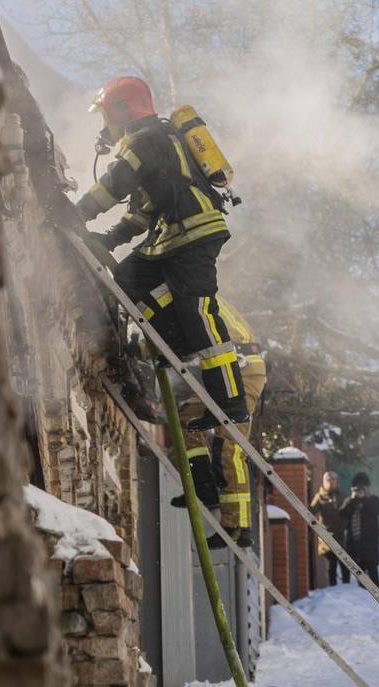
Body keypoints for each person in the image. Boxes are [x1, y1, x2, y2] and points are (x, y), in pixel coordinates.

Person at [75, 76, 247, 430]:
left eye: (105, 113)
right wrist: (110, 239)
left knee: (199, 311)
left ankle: (231, 401)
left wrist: (75, 213)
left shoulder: (145, 140)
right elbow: (143, 209)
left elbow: (114, 184)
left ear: (122, 111)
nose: (103, 124)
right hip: (170, 237)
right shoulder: (152, 140)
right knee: (126, 280)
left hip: (194, 232)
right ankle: (177, 344)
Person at [173, 297, 268, 548]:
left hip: (244, 373)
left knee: (229, 447)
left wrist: (140, 349)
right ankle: (203, 485)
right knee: (187, 417)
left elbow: (182, 338)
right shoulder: (191, 295)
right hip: (223, 373)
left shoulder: (199, 299)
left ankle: (237, 526)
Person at [340, 471, 379, 588]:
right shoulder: (350, 501)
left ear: (368, 488)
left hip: (370, 543)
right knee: (360, 574)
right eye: (357, 488)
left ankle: (377, 598)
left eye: (363, 487)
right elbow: (343, 514)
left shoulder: (373, 500)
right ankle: (363, 599)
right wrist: (353, 499)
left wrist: (365, 499)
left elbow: (377, 510)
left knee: (373, 573)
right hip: (354, 543)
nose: (360, 490)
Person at [311, 472, 348, 585]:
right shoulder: (320, 496)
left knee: (346, 562)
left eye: (333, 480)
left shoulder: (342, 495)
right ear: (324, 482)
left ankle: (347, 587)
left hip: (342, 534)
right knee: (331, 563)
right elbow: (311, 511)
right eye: (328, 481)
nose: (331, 483)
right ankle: (333, 587)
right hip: (328, 535)